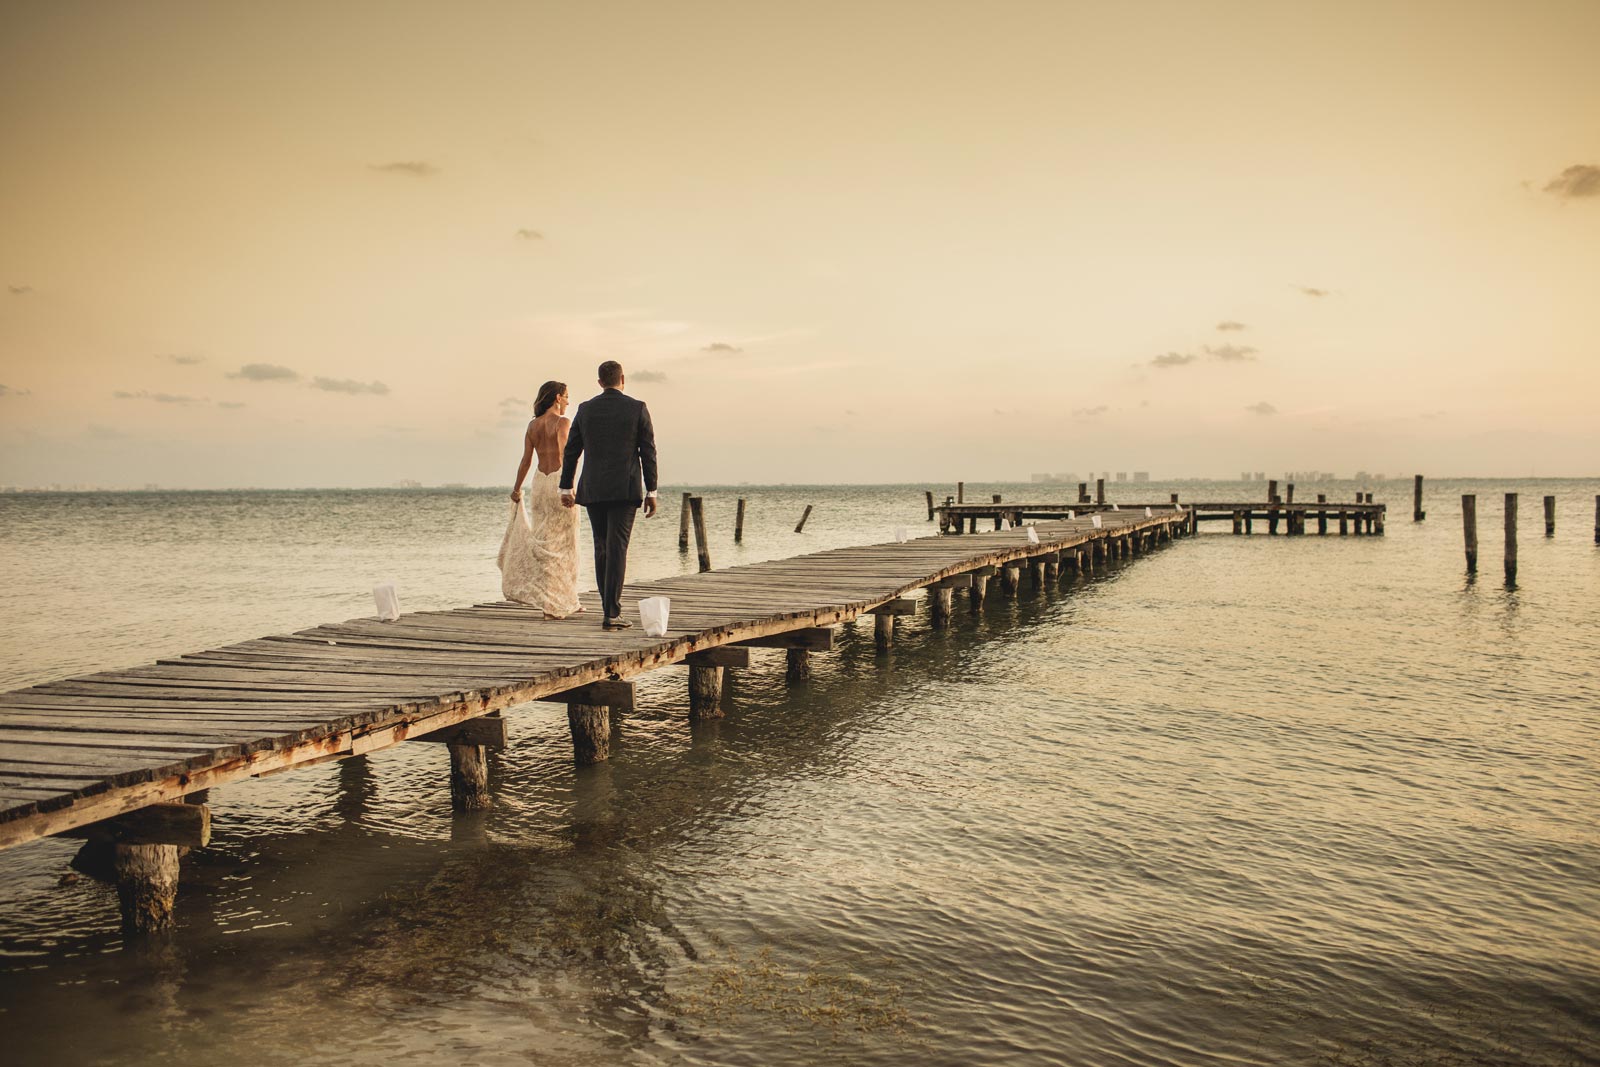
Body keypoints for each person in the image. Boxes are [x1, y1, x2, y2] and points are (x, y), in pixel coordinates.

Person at [559, 360, 658, 629]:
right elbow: (648, 451)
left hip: (594, 488)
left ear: (600, 382)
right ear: (622, 379)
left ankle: (608, 609)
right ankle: (611, 613)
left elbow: (571, 451)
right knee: (617, 549)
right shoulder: (637, 408)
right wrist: (652, 490)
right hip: (624, 489)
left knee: (602, 547)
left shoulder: (586, 409)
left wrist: (565, 487)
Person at [502, 380, 582, 617]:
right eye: (566, 396)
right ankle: (562, 601)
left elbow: (526, 461)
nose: (568, 401)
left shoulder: (532, 426)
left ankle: (558, 601)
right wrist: (568, 487)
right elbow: (567, 457)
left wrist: (517, 489)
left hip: (539, 483)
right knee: (566, 543)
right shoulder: (562, 423)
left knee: (545, 541)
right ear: (557, 397)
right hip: (558, 481)